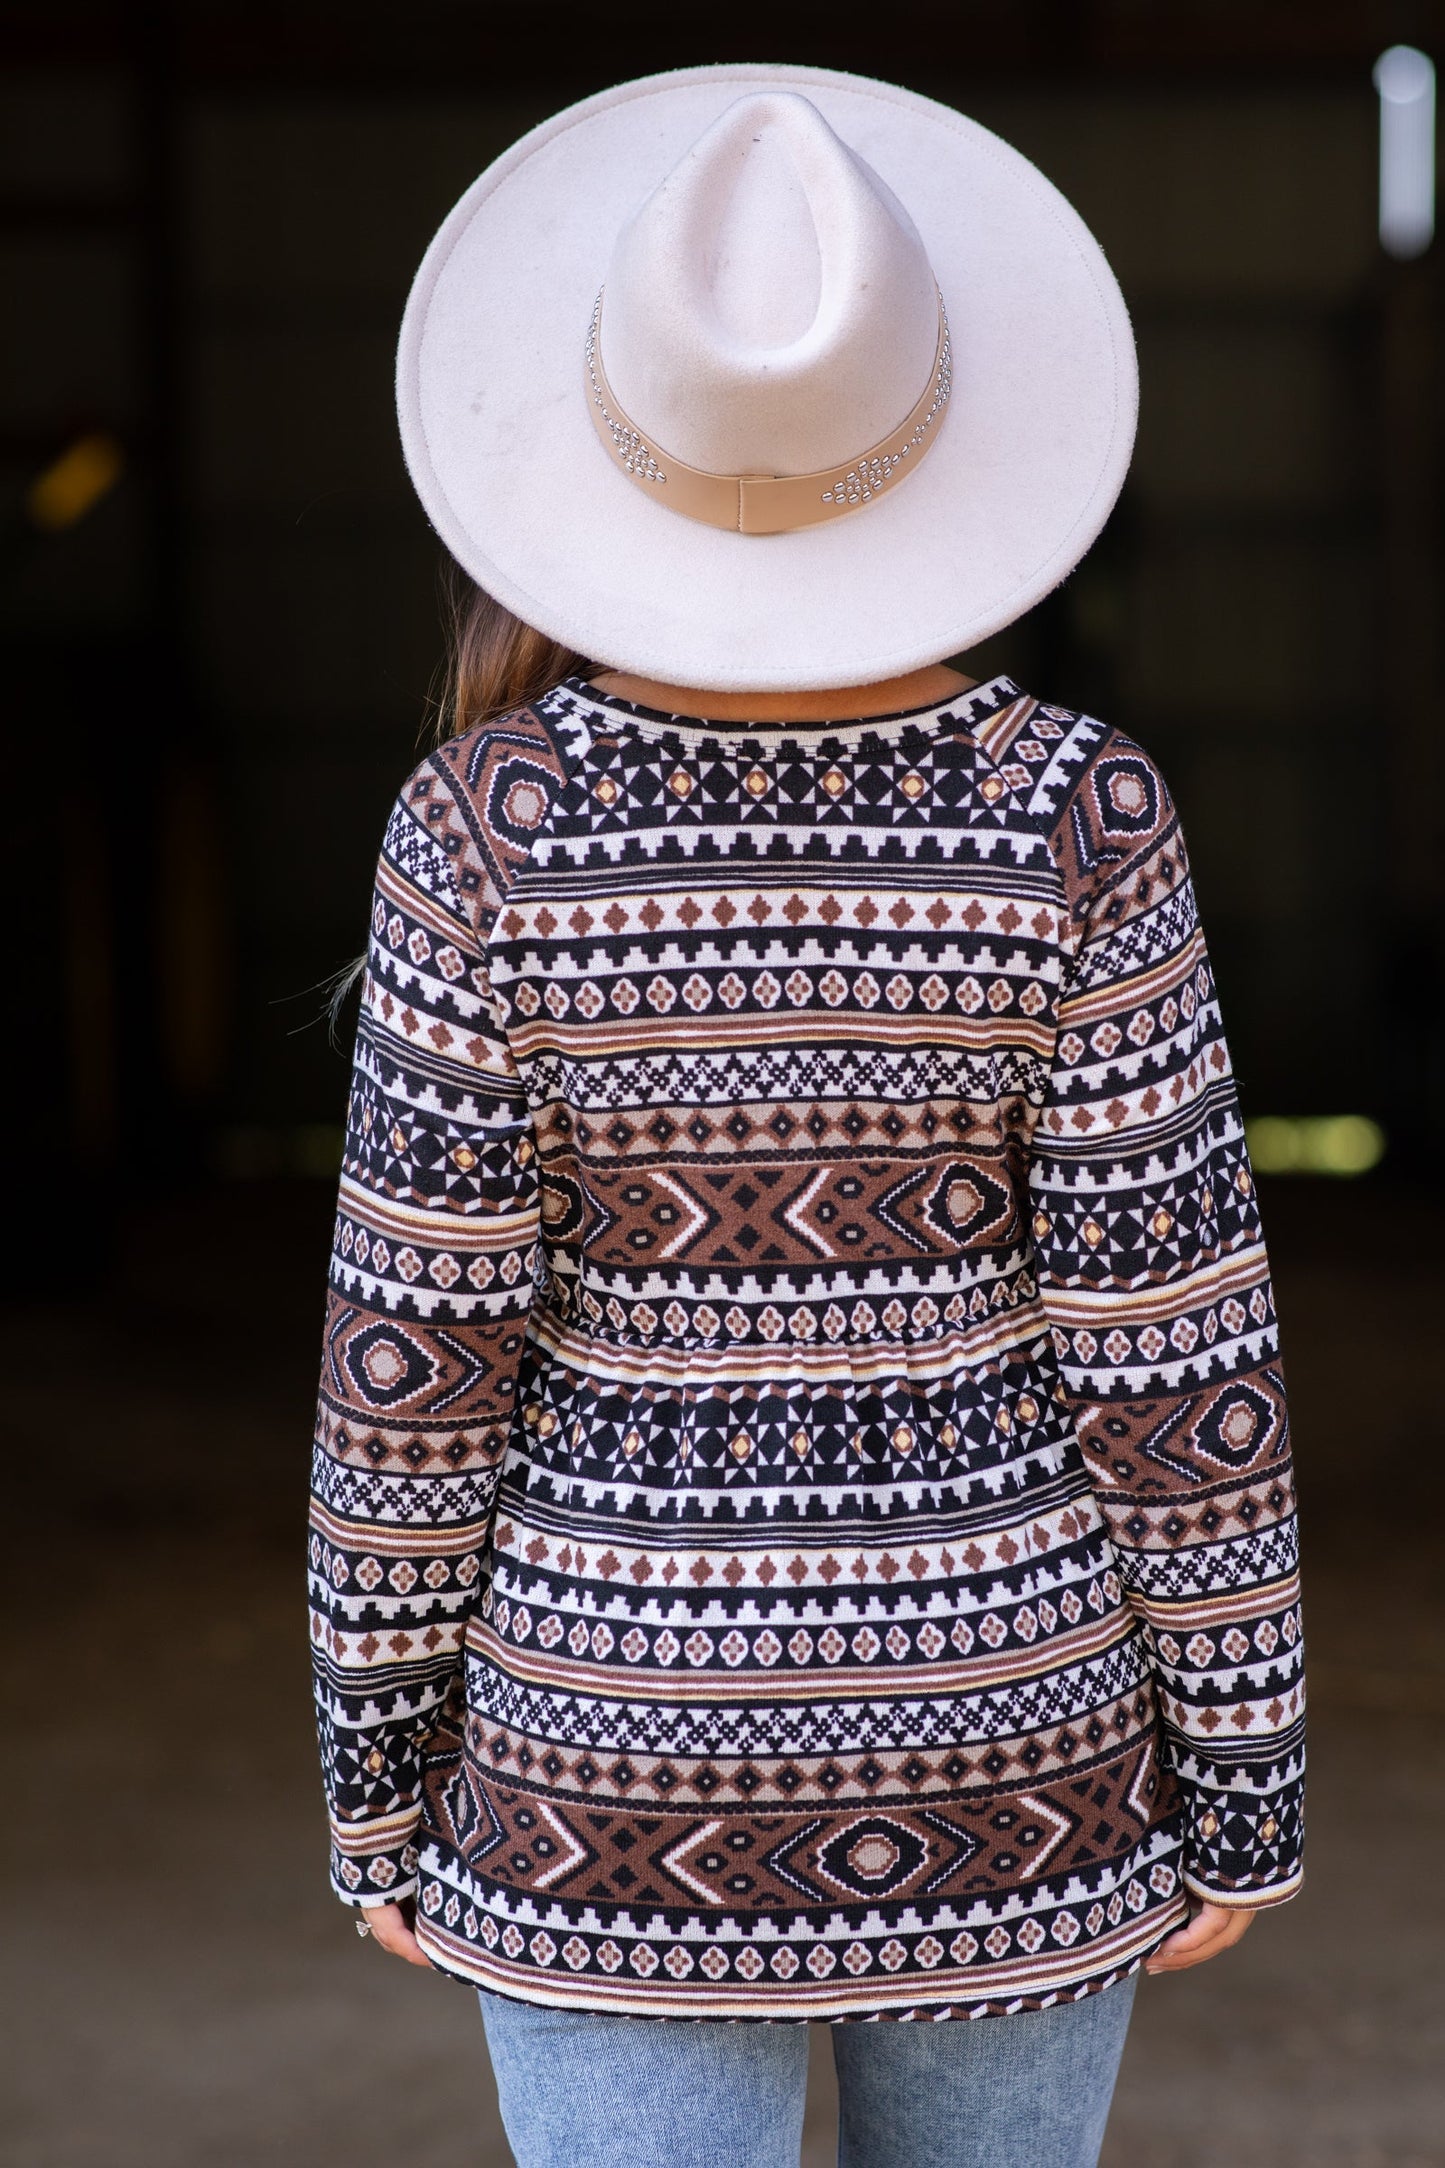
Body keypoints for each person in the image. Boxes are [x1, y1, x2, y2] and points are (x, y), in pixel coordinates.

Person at [307, 64, 1304, 2168]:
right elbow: (1173, 1349)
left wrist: (378, 1779)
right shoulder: (1077, 811)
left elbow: (420, 1371)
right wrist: (1247, 1767)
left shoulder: (479, 831)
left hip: (603, 1767)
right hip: (1012, 1736)